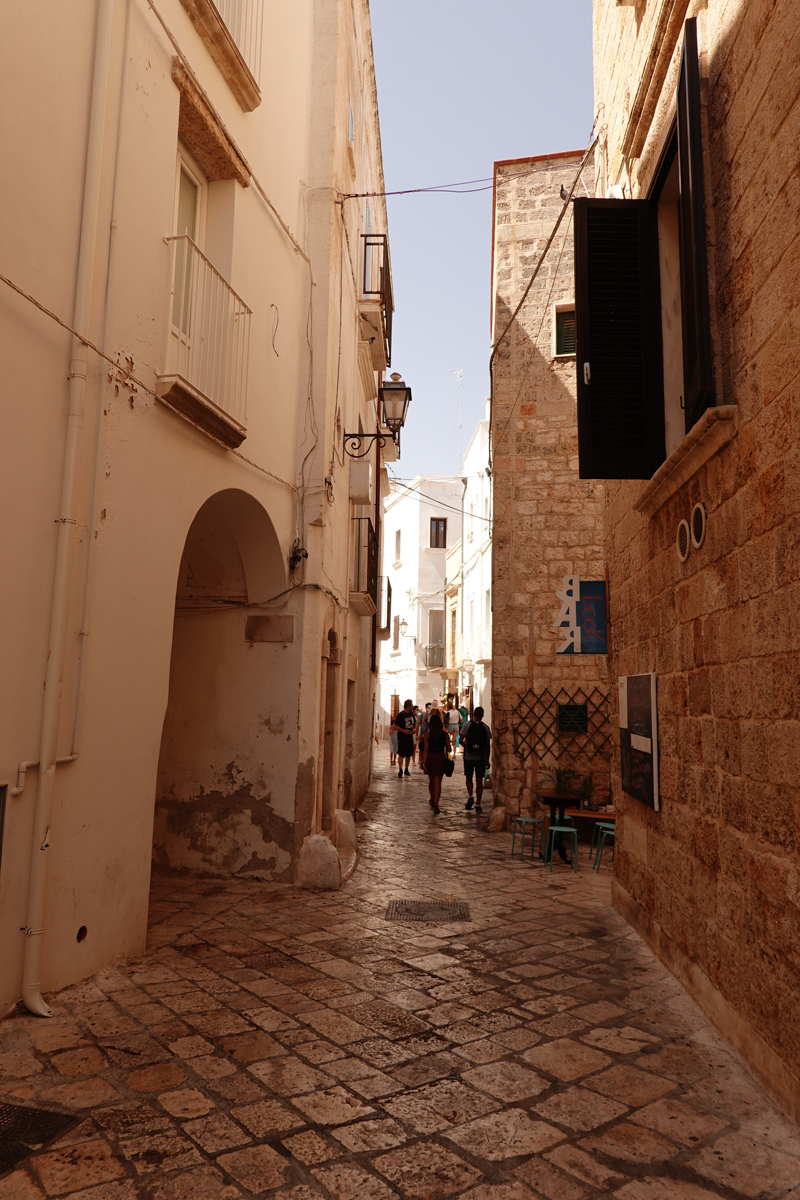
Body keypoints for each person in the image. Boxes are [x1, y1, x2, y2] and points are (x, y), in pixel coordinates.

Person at [420, 707, 451, 814]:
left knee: (431, 780)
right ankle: (436, 804)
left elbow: (426, 749)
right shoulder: (445, 734)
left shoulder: (427, 735)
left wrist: (424, 762)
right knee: (438, 782)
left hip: (431, 758)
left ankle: (432, 799)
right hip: (440, 757)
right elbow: (449, 749)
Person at [461, 706, 491, 813]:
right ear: (482, 716)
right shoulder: (486, 728)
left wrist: (466, 747)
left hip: (468, 757)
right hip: (481, 757)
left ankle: (470, 796)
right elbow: (488, 745)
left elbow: (461, 739)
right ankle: (478, 803)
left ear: (474, 714)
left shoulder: (467, 725)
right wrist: (487, 760)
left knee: (468, 777)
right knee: (479, 780)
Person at [392, 699, 416, 778]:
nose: (412, 707)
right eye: (411, 705)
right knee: (401, 754)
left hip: (409, 737)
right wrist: (403, 731)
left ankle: (406, 768)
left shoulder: (411, 714)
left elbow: (414, 723)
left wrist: (414, 730)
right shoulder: (401, 715)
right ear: (408, 706)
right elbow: (395, 726)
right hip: (402, 737)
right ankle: (400, 769)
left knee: (409, 754)